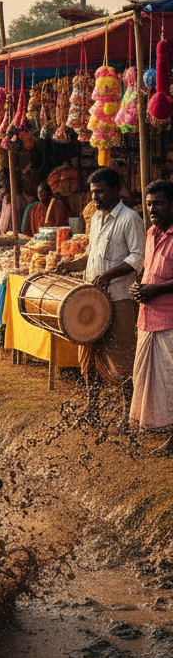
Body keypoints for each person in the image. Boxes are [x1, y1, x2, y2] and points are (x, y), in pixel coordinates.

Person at [57, 167, 145, 422]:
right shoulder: (96, 219)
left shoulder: (131, 219)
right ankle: (92, 408)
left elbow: (137, 258)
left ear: (116, 191)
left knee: (122, 356)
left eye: (100, 191)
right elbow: (93, 255)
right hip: (92, 300)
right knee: (89, 354)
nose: (95, 197)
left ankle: (128, 413)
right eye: (93, 192)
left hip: (119, 298)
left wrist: (108, 276)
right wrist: (72, 264)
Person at [130, 180, 173, 454]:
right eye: (148, 204)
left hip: (170, 319)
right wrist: (140, 287)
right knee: (151, 379)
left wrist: (156, 289)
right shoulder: (150, 234)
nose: (152, 209)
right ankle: (163, 428)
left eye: (158, 203)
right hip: (147, 317)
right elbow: (148, 269)